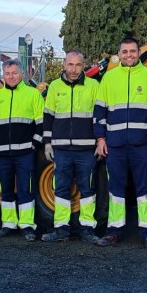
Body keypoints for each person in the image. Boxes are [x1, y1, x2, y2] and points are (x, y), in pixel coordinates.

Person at [93, 38, 147, 249]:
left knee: (144, 190)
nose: (129, 55)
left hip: (142, 145)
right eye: (125, 51)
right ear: (119, 53)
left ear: (139, 52)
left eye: (133, 51)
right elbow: (99, 112)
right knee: (115, 189)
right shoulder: (108, 78)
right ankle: (113, 231)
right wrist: (100, 139)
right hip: (114, 146)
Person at [41, 50, 100, 244]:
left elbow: (99, 116)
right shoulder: (55, 87)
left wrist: (100, 140)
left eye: (78, 65)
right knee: (61, 190)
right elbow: (48, 116)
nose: (74, 69)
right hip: (62, 150)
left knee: (87, 190)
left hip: (86, 150)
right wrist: (47, 143)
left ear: (84, 66)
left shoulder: (94, 86)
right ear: (64, 65)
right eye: (70, 65)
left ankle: (87, 229)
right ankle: (61, 229)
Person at [0, 59, 45, 241]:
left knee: (26, 189)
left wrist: (33, 145)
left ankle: (27, 225)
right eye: (7, 74)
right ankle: (8, 224)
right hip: (1, 153)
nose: (11, 77)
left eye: (15, 73)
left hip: (25, 152)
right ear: (3, 75)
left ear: (22, 74)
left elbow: (41, 124)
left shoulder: (33, 94)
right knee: (6, 189)